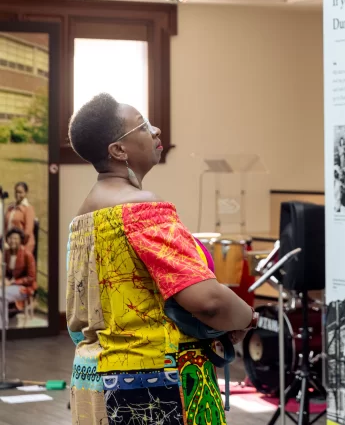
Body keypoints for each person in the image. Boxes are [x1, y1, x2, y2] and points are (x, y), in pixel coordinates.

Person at [65, 93, 257, 425]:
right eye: (143, 126)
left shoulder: (82, 219)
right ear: (118, 150)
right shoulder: (141, 209)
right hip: (156, 385)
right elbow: (208, 300)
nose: (155, 131)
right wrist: (246, 317)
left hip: (92, 379)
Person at [3, 227, 36, 324]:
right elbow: (5, 272)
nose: (13, 241)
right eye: (10, 238)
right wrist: (4, 279)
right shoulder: (7, 254)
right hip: (9, 285)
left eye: (16, 238)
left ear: (21, 240)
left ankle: (3, 325)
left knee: (2, 296)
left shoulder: (27, 254)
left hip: (24, 287)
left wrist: (13, 282)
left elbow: (31, 278)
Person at [5, 182, 36, 255]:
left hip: (23, 246)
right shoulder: (11, 208)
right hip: (10, 245)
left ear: (25, 193)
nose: (17, 194)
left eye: (20, 192)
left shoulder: (28, 209)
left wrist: (16, 244)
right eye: (16, 192)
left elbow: (28, 231)